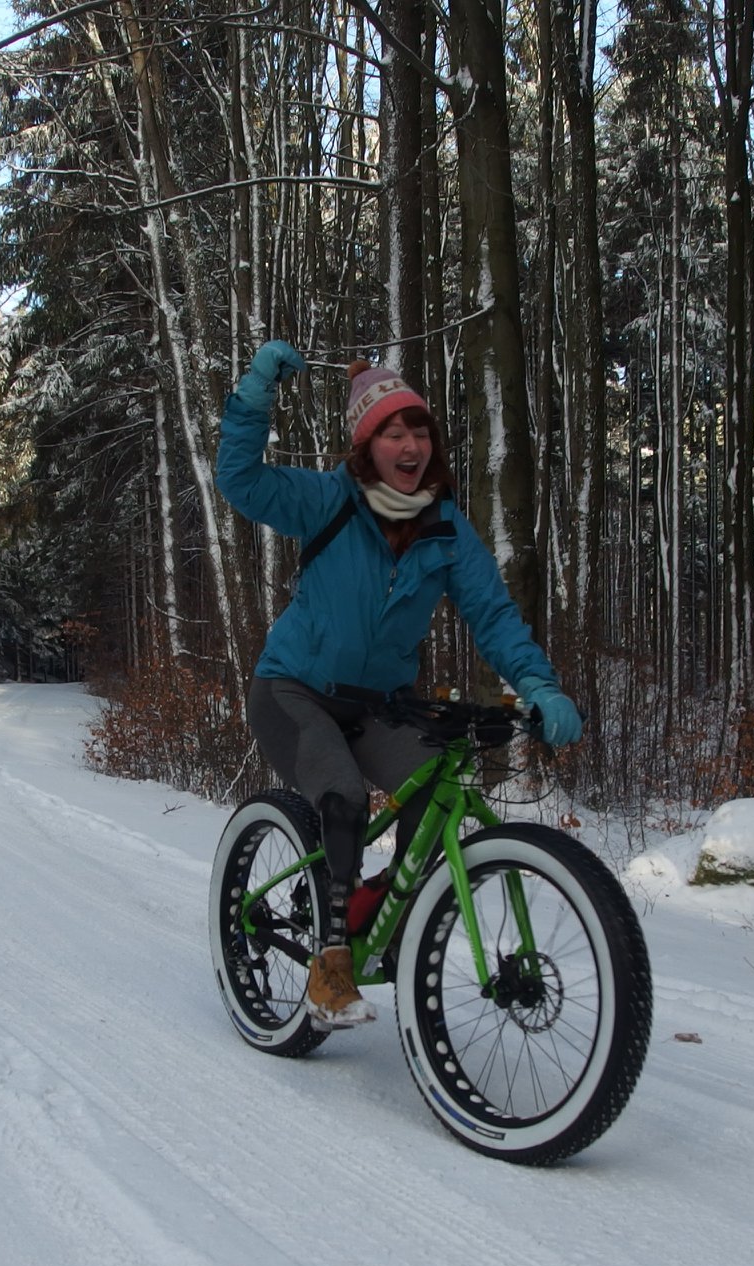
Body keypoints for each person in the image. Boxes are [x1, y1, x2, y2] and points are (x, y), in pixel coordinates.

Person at [215, 339, 583, 1029]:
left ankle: (369, 911)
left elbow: (493, 614)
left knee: (434, 790)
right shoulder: (328, 501)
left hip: (378, 706)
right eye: (392, 430)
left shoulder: (444, 530)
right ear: (366, 446)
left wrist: (538, 682)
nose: (409, 443)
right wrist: (254, 395)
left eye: (418, 430)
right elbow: (238, 479)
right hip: (293, 690)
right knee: (343, 798)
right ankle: (330, 966)